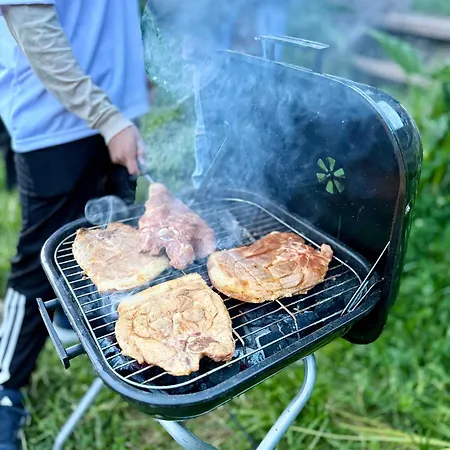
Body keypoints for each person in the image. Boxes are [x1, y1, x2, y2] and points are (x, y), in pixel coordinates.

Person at [0, 2, 149, 449]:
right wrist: (106, 117)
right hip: (54, 120)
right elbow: (32, 25)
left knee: (114, 244)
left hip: (121, 111)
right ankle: (6, 385)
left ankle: (74, 319)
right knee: (37, 263)